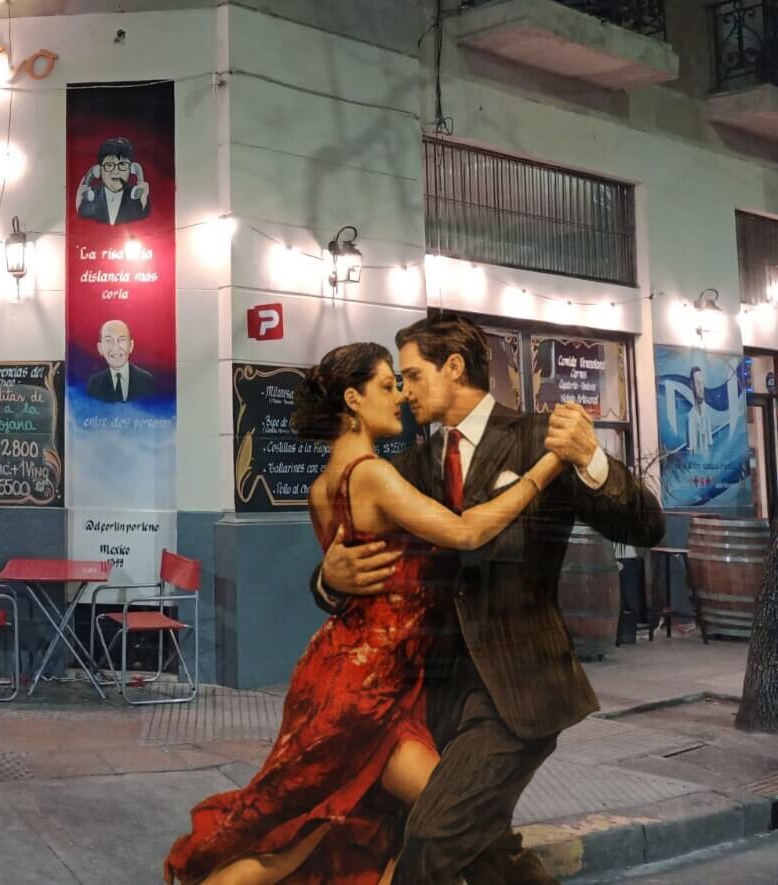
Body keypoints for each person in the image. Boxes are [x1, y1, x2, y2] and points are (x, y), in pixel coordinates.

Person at [164, 342, 567, 885]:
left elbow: (357, 578)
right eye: (387, 385)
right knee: (316, 832)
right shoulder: (371, 475)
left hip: (353, 675)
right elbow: (468, 531)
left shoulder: (321, 487)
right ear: (353, 400)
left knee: (339, 832)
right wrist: (548, 468)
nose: (399, 395)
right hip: (367, 692)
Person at [310, 314, 663, 884]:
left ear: (454, 368)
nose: (404, 391)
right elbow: (357, 566)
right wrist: (330, 578)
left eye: (413, 375)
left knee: (430, 839)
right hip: (431, 694)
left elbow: (647, 527)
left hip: (519, 688)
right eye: (396, 380)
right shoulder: (409, 467)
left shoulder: (537, 437)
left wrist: (593, 460)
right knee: (485, 850)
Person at [76, 137, 151, 225]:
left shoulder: (136, 198)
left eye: (122, 164)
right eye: (109, 165)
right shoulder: (91, 199)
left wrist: (143, 203)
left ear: (131, 169)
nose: (115, 171)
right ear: (99, 170)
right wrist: (79, 203)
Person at [87, 319, 156, 403]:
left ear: (131, 346)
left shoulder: (148, 381)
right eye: (108, 341)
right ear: (100, 348)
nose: (116, 348)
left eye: (121, 340)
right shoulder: (93, 384)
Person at [686, 366, 714, 455]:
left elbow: (711, 447)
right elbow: (691, 453)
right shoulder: (690, 417)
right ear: (692, 386)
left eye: (702, 384)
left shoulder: (707, 414)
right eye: (698, 384)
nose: (701, 389)